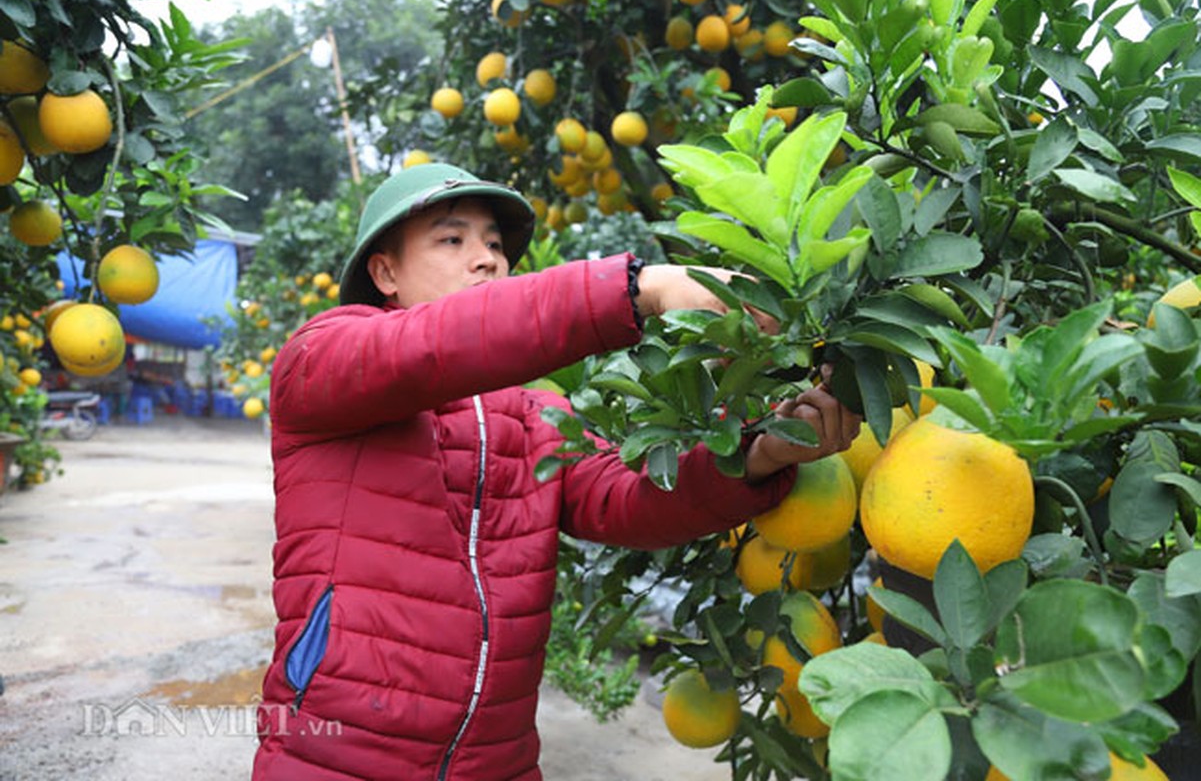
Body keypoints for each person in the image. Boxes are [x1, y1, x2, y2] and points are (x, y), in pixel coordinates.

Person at [251, 163, 861, 780]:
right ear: (384, 271)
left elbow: (626, 500)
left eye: (494, 243)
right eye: (452, 239)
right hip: (333, 755)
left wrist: (764, 452)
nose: (486, 259)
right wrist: (640, 291)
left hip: (497, 761)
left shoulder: (538, 415)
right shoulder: (322, 359)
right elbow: (428, 348)